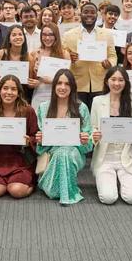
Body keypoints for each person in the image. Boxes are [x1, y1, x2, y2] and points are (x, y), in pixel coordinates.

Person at [34, 69, 93, 205]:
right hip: (50, 153)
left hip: (75, 152)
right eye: (59, 83)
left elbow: (88, 145)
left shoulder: (81, 108)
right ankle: (61, 189)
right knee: (60, 153)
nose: (62, 87)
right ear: (54, 85)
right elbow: (41, 148)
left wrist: (84, 140)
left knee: (64, 152)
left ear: (72, 87)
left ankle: (66, 194)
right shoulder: (43, 108)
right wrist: (40, 140)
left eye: (67, 84)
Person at [90, 66, 132, 205]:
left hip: (126, 157)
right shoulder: (97, 101)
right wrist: (94, 136)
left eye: (121, 80)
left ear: (126, 82)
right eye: (113, 79)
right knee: (108, 198)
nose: (116, 83)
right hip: (105, 157)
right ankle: (110, 182)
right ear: (107, 81)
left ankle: (119, 181)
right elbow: (92, 128)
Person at [0, 75, 38, 198]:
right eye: (5, 88)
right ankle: (4, 182)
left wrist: (28, 142)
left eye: (13, 89)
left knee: (17, 191)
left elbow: (35, 136)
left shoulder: (28, 111)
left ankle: (31, 183)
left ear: (18, 93)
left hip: (21, 161)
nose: (9, 92)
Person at [62, 3, 117, 109]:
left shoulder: (107, 34)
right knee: (79, 116)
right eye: (86, 12)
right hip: (77, 84)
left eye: (92, 12)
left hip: (100, 83)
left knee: (99, 116)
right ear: (80, 14)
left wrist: (109, 64)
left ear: (97, 15)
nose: (89, 15)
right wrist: (69, 58)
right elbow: (63, 57)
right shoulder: (68, 35)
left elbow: (112, 56)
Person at [29, 24, 70, 110]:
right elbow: (30, 81)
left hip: (60, 94)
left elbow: (69, 80)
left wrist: (52, 81)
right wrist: (34, 80)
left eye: (51, 35)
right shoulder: (35, 53)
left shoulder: (64, 54)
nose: (47, 38)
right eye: (44, 35)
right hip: (39, 93)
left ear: (56, 36)